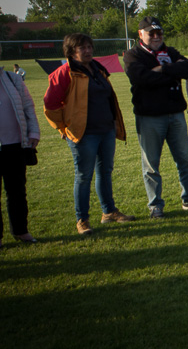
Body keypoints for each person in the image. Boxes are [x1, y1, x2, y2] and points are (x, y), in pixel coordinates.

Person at [43, 33, 134, 235]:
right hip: (84, 134)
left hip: (106, 130)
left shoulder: (97, 68)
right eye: (82, 48)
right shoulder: (64, 72)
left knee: (105, 172)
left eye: (89, 47)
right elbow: (50, 104)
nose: (87, 51)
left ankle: (109, 212)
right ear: (71, 51)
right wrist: (63, 127)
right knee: (84, 176)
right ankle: (82, 220)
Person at [123, 17, 188, 218]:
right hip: (149, 117)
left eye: (159, 33)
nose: (156, 36)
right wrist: (172, 74)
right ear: (140, 34)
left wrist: (163, 69)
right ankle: (155, 206)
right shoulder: (133, 55)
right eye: (151, 33)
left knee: (185, 160)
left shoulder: (169, 52)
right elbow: (142, 78)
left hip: (176, 114)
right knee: (151, 165)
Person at [0, 63, 40, 246]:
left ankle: (21, 231)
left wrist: (34, 132)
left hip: (15, 145)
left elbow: (28, 107)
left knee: (17, 192)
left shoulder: (13, 78)